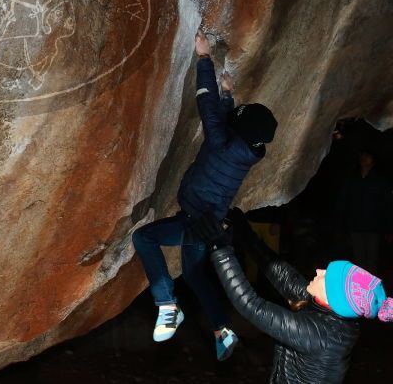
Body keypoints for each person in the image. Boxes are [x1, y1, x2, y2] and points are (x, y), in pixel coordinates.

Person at [131, 30, 278, 361]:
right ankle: (223, 331)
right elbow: (225, 120)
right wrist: (230, 97)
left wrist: (203, 57)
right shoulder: (244, 150)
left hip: (196, 220)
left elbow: (206, 104)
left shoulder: (221, 143)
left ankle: (167, 304)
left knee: (144, 239)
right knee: (195, 273)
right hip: (208, 219)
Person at [194, 208, 393, 383]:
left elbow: (252, 306)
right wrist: (246, 234)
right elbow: (283, 275)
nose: (319, 271)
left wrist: (219, 249)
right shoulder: (331, 311)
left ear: (334, 298)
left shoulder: (320, 335)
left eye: (326, 276)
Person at [333, 150, 393, 272]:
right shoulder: (352, 179)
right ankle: (360, 289)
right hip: (355, 225)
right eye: (362, 155)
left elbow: (387, 204)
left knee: (372, 260)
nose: (364, 158)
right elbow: (343, 202)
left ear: (373, 159)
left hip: (374, 227)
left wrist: (389, 229)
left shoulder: (380, 180)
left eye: (367, 155)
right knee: (359, 261)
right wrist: (339, 225)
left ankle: (371, 289)